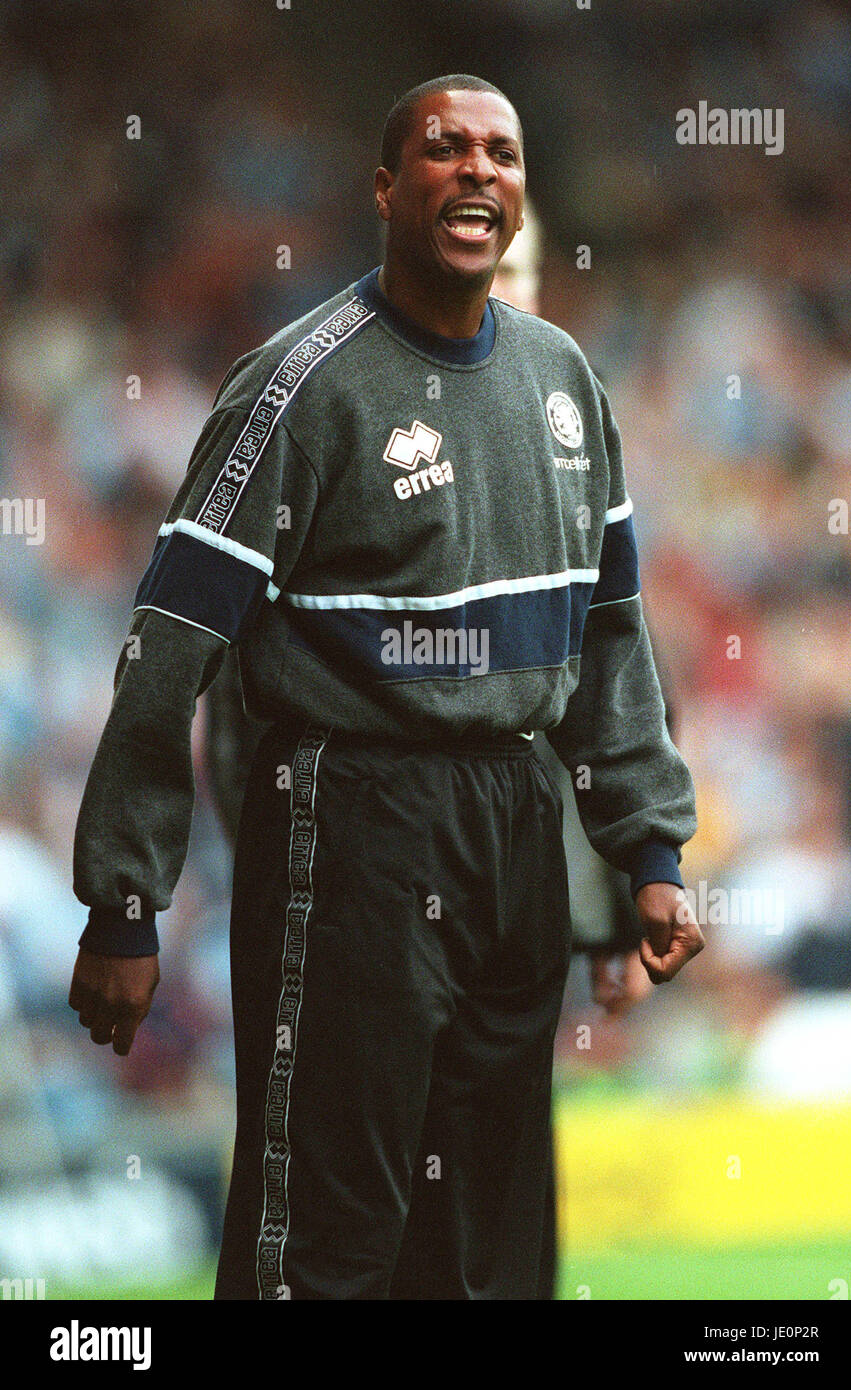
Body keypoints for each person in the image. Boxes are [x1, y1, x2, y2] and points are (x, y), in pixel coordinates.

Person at [69, 74, 704, 1300]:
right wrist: (125, 901)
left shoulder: (564, 379)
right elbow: (168, 648)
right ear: (382, 187)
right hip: (351, 826)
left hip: (513, 828)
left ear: (521, 196)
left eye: (501, 153)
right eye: (443, 149)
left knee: (489, 1238)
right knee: (327, 1232)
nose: (476, 171)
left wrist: (648, 851)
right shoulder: (296, 385)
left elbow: (611, 637)